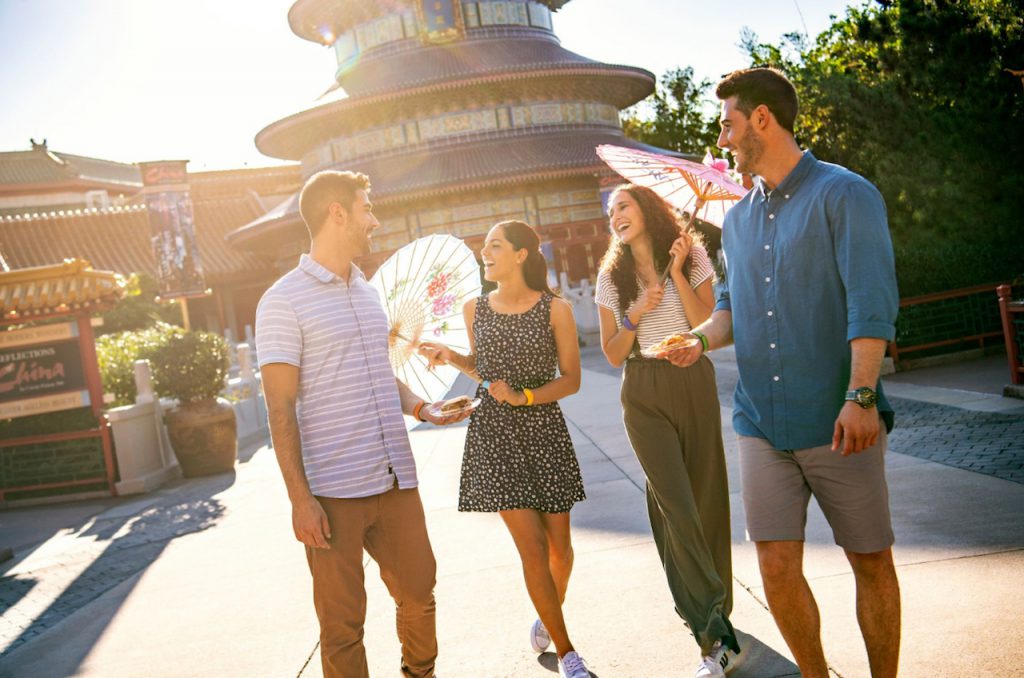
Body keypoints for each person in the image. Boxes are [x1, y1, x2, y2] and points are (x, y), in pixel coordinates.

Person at [669, 67, 901, 678]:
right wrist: (697, 340)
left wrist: (861, 394)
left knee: (870, 560)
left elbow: (871, 303)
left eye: (727, 124)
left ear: (762, 120)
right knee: (773, 565)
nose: (722, 139)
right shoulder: (739, 220)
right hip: (760, 423)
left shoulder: (846, 195)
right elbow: (729, 310)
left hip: (838, 418)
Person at [255, 170, 471, 678]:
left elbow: (380, 376)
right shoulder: (281, 302)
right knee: (342, 625)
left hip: (395, 476)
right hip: (332, 491)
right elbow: (280, 408)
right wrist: (300, 499)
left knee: (420, 594)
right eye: (367, 208)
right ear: (338, 213)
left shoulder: (368, 293)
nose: (374, 221)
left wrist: (423, 408)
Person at [418, 220, 589, 678]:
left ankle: (548, 614)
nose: (484, 253)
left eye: (494, 246)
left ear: (520, 255)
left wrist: (526, 396)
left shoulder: (556, 310)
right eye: (483, 247)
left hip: (545, 432)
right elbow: (486, 371)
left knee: (561, 551)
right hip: (494, 437)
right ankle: (569, 653)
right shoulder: (473, 308)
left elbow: (571, 379)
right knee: (533, 550)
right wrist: (450, 357)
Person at [593, 183, 741, 678]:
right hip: (642, 388)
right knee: (675, 504)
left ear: (648, 209)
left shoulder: (692, 254)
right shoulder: (610, 279)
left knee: (706, 498)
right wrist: (637, 310)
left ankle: (717, 606)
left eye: (625, 205)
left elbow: (709, 323)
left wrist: (675, 274)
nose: (616, 215)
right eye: (611, 209)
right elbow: (614, 353)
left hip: (691, 376)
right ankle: (712, 631)